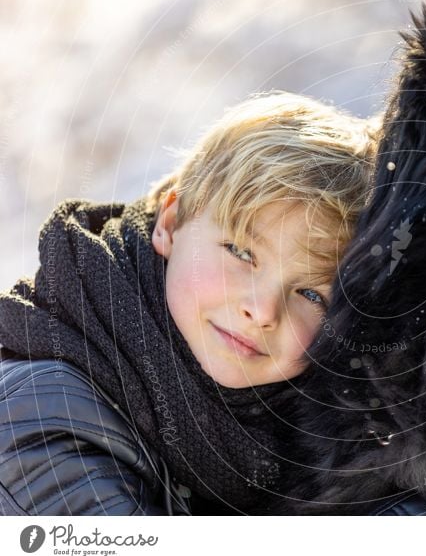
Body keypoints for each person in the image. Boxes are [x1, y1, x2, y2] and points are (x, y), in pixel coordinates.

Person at [0, 91, 376, 515]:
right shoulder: (37, 414)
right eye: (241, 252)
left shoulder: (289, 431)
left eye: (311, 294)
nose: (263, 311)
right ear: (172, 222)